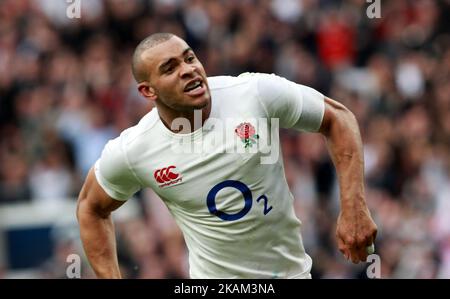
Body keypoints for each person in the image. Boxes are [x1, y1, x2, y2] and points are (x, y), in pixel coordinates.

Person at [76, 33, 377, 279]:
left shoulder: (254, 93)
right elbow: (91, 208)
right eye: (170, 68)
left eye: (190, 57)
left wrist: (353, 206)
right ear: (148, 91)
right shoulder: (135, 149)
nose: (188, 69)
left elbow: (339, 118)